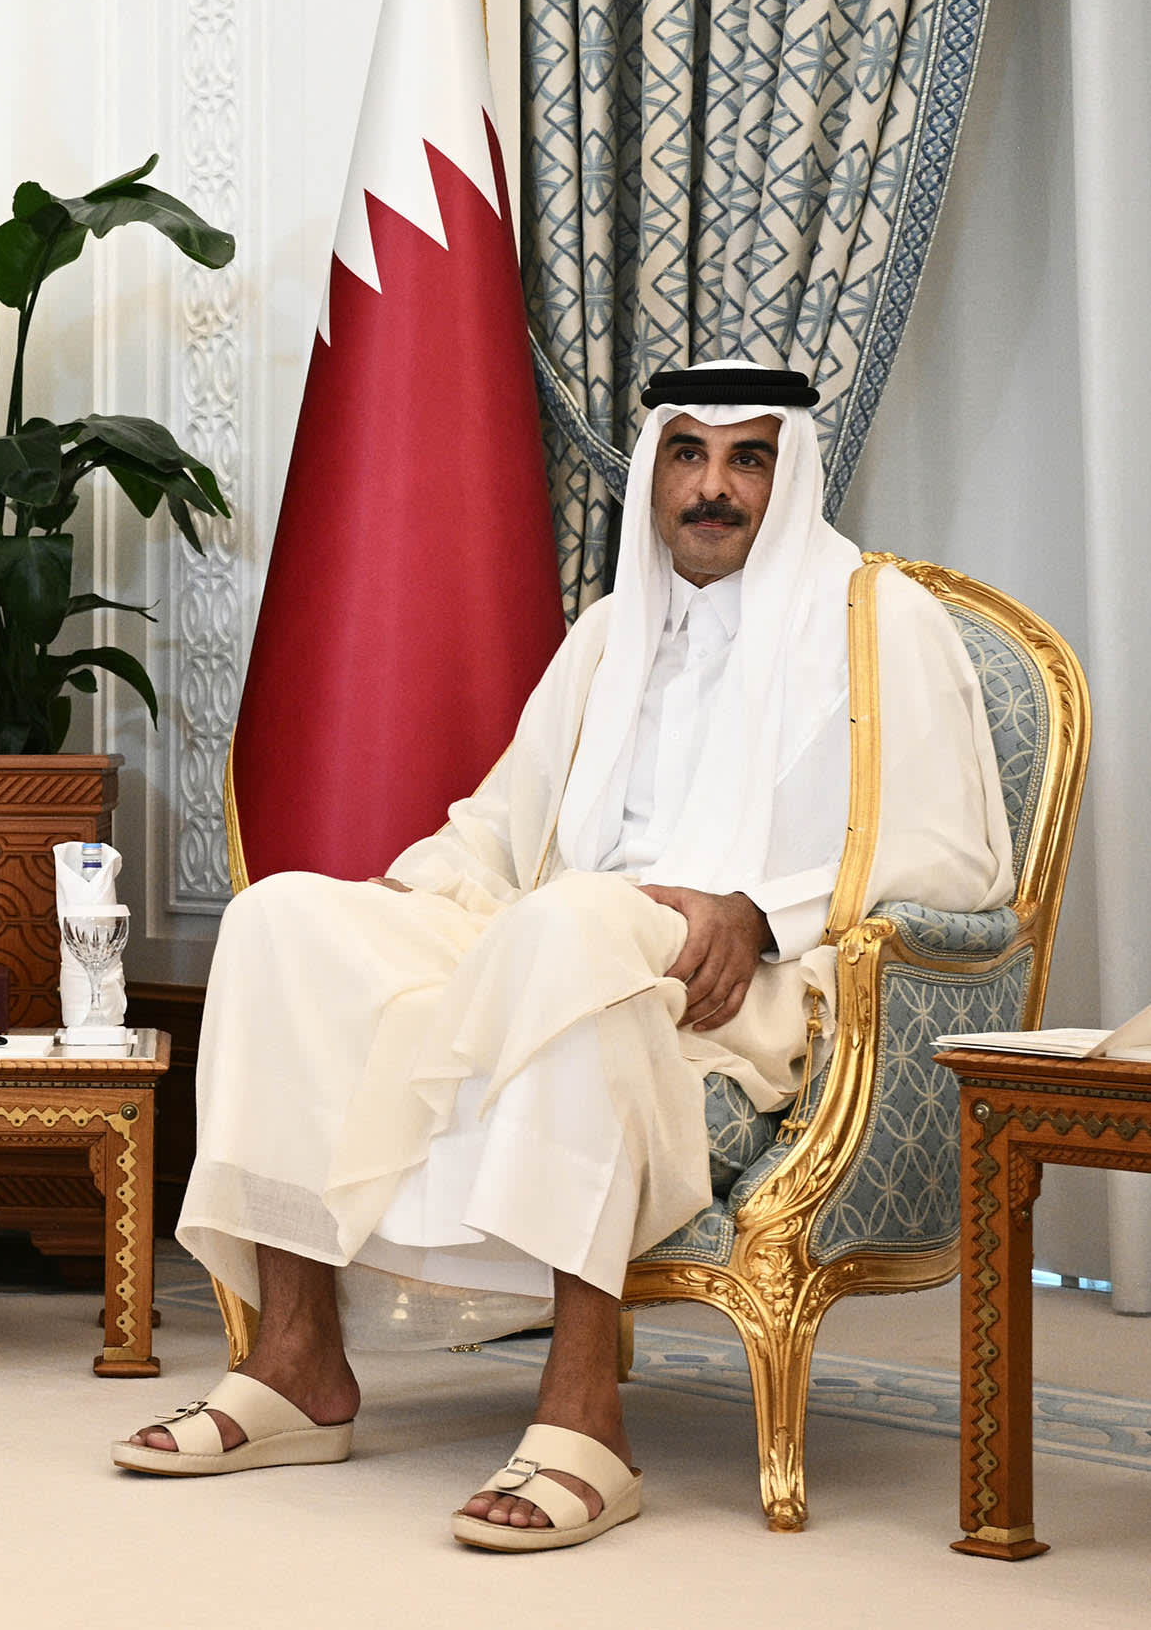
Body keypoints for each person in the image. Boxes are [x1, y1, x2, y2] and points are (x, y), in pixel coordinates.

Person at [114, 360, 1013, 1551]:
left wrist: (756, 911)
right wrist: (400, 901)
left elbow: (951, 856)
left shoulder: (878, 622)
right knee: (283, 916)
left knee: (575, 921)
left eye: (748, 457)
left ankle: (584, 1412)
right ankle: (296, 1363)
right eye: (687, 453)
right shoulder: (611, 630)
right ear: (654, 472)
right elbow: (500, 823)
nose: (713, 487)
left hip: (745, 983)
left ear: (790, 472)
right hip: (558, 930)